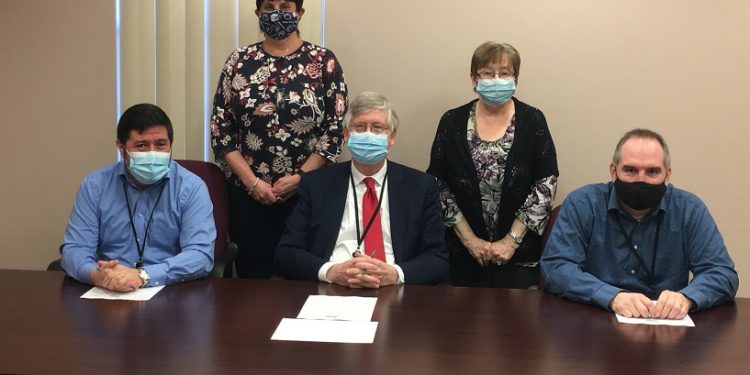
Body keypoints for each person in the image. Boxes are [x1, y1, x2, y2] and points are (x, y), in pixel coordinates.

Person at [210, 0, 348, 278]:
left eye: (285, 6)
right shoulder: (238, 62)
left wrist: (300, 178)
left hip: (307, 193)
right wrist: (252, 183)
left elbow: (334, 128)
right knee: (254, 283)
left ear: (300, 12)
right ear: (258, 13)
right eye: (269, 6)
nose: (277, 12)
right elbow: (221, 131)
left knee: (305, 278)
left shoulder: (323, 61)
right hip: (247, 195)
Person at [541, 129, 739, 319]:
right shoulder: (582, 204)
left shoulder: (689, 210)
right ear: (613, 171)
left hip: (666, 330)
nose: (640, 179)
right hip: (594, 323)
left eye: (652, 171)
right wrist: (611, 296)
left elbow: (721, 273)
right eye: (630, 170)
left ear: (667, 174)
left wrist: (686, 298)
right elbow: (556, 267)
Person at [275, 92, 448, 287]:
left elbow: (437, 259)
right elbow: (287, 252)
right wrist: (331, 271)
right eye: (360, 127)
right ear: (347, 135)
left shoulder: (421, 186)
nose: (368, 134)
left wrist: (395, 274)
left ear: (391, 138)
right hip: (332, 287)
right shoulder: (316, 184)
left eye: (377, 128)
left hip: (395, 289)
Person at [427, 41, 558, 288]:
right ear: (473, 79)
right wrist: (469, 240)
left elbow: (546, 183)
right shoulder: (451, 121)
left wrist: (511, 241)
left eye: (504, 73)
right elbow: (438, 182)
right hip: (461, 255)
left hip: (518, 258)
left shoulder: (533, 120)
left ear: (515, 79)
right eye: (487, 73)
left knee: (514, 325)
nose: (496, 79)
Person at [61, 103, 216, 292]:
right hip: (108, 291)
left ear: (171, 144)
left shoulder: (191, 187)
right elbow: (75, 249)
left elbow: (200, 255)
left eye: (160, 144)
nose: (152, 153)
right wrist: (98, 276)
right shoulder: (95, 186)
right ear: (121, 147)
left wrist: (143, 275)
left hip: (170, 291)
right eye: (141, 145)